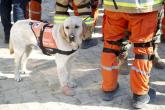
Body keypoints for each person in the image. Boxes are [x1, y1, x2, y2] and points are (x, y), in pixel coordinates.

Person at [101, 0, 163, 109]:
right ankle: (140, 95)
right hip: (144, 7)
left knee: (110, 47)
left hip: (114, 6)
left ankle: (108, 88)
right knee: (143, 49)